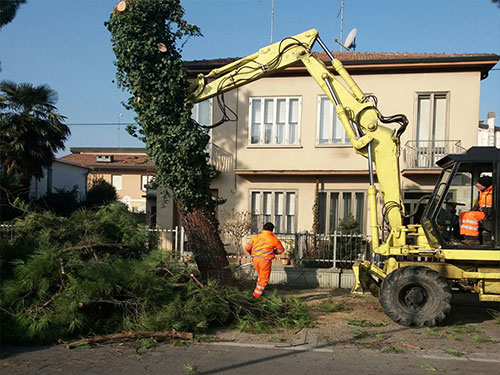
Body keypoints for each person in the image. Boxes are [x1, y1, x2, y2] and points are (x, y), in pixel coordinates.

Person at [244, 222, 284, 299]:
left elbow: (247, 247)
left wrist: (251, 253)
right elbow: (281, 250)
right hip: (265, 260)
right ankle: (256, 296)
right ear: (272, 230)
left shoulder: (256, 237)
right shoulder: (274, 239)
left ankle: (259, 293)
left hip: (255, 259)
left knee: (260, 277)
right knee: (263, 279)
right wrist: (274, 252)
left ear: (263, 229)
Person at [458, 175, 493, 246]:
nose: (476, 185)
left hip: (490, 214)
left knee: (471, 216)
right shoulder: (482, 192)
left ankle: (473, 239)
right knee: (463, 214)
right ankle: (465, 236)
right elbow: (478, 205)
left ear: (484, 184)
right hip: (482, 212)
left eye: (479, 183)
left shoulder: (493, 193)